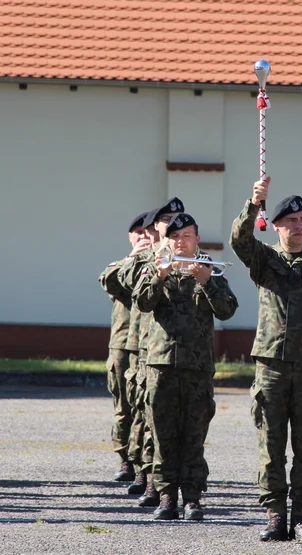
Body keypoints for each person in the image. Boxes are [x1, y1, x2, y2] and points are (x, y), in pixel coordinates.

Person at [230, 177, 302, 542]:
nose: (299, 226)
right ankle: (274, 516)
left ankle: (301, 518)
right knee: (271, 446)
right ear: (277, 225)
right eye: (292, 221)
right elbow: (239, 240)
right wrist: (253, 203)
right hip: (272, 367)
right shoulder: (265, 260)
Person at [134, 213, 238, 520]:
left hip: (197, 367)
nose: (182, 242)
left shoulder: (209, 268)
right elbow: (140, 302)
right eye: (176, 237)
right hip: (161, 364)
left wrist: (207, 283)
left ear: (197, 239)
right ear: (167, 240)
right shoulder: (156, 265)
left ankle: (192, 497)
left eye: (188, 236)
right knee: (163, 433)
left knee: (194, 433)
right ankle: (166, 496)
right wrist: (159, 277)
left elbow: (228, 310)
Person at [118, 197, 186, 507]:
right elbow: (118, 283)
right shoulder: (146, 258)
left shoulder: (190, 256)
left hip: (179, 351)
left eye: (179, 218)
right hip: (145, 348)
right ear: (155, 226)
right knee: (146, 417)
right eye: (167, 219)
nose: (174, 223)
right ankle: (147, 478)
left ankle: (175, 485)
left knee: (178, 420)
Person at [99, 211, 150, 483]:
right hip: (122, 343)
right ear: (130, 237)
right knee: (124, 404)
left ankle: (144, 461)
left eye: (147, 232)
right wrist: (133, 259)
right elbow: (109, 281)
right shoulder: (121, 264)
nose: (143, 237)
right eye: (137, 233)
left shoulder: (161, 264)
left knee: (145, 406)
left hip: (148, 345)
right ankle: (125, 459)